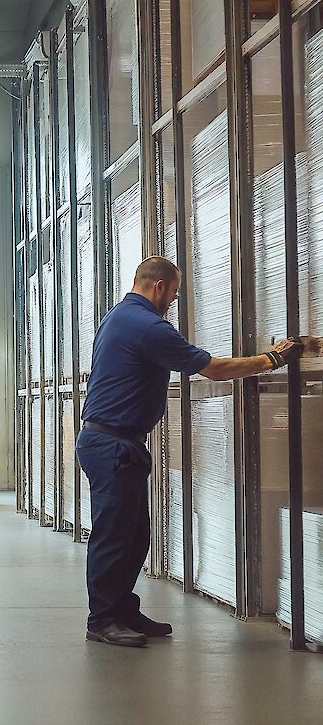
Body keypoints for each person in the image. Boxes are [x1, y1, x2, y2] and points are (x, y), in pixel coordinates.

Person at [76, 256, 303, 648]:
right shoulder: (147, 325)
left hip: (116, 442)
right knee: (114, 536)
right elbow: (212, 369)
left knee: (135, 536)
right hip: (113, 444)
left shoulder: (118, 317)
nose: (173, 302)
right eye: (175, 294)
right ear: (159, 287)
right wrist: (272, 360)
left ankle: (123, 609)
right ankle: (101, 620)